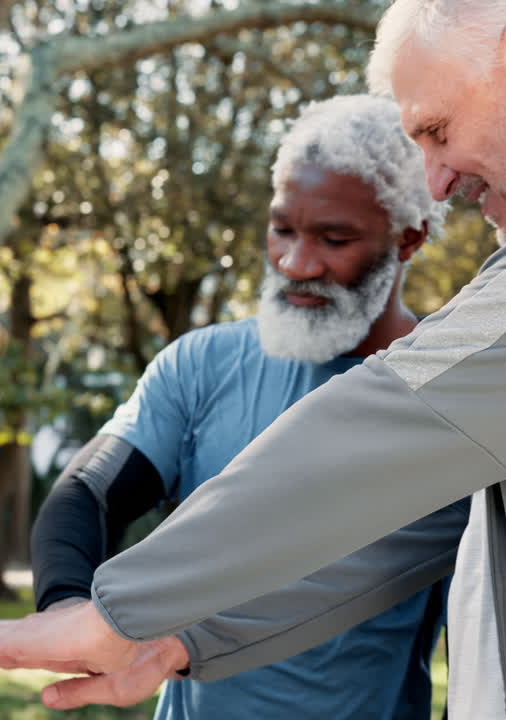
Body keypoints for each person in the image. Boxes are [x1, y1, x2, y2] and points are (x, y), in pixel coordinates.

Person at [0, 4, 506, 718]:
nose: (437, 182)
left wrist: (122, 607)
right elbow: (395, 540)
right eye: (281, 228)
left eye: (438, 132)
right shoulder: (203, 362)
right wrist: (176, 639)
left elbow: (406, 414)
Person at [29, 94, 463, 720]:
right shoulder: (201, 365)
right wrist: (69, 614)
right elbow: (87, 497)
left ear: (410, 238)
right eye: (283, 228)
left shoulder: (452, 394)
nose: (296, 262)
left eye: (333, 239)